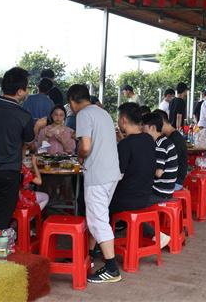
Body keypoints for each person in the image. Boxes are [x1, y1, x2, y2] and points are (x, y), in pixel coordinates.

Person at [0, 67, 47, 230]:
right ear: (20, 91)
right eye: (27, 87)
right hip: (8, 173)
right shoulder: (23, 115)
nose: (27, 91)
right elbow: (30, 143)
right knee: (1, 218)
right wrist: (37, 126)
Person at [67, 84, 122, 284]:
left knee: (98, 220)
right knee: (98, 216)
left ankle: (112, 268)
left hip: (97, 174)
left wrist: (80, 157)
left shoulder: (82, 115)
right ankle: (89, 254)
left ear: (73, 101)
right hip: (111, 173)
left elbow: (86, 146)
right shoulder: (102, 112)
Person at [109, 103, 156, 214]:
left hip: (126, 200)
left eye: (118, 118)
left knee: (88, 196)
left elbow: (118, 175)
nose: (118, 122)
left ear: (123, 120)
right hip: (145, 196)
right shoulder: (149, 139)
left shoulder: (125, 144)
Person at [141, 112, 178, 249]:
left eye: (143, 127)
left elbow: (158, 172)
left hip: (159, 192)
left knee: (126, 205)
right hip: (163, 189)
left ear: (151, 127)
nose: (141, 130)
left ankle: (157, 234)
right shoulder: (163, 141)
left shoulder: (160, 145)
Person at [154, 110, 188, 190]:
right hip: (169, 180)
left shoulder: (175, 140)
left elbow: (162, 168)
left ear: (162, 122)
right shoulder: (169, 137)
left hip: (175, 182)